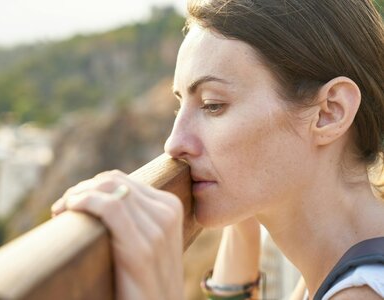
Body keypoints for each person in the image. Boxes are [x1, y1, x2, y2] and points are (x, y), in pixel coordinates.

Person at [51, 0, 384, 299]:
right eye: (179, 105)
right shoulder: (335, 261)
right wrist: (241, 219)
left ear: (329, 112)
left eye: (212, 105)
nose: (173, 143)